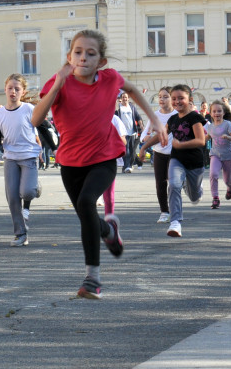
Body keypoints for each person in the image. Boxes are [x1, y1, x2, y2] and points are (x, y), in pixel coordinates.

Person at [33, 29, 167, 299]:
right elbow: (36, 120)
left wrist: (154, 118)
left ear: (101, 61)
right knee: (87, 217)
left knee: (86, 204)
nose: (83, 58)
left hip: (104, 157)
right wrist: (57, 84)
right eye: (78, 52)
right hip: (71, 162)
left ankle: (92, 279)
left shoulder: (109, 78)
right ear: (70, 57)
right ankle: (108, 229)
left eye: (90, 54)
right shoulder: (58, 83)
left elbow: (130, 89)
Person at [142, 84, 205, 238]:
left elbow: (201, 141)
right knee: (174, 185)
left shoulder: (195, 117)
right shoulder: (173, 119)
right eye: (174, 98)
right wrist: (144, 147)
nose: (177, 101)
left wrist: (181, 144)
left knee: (194, 196)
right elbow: (160, 135)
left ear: (189, 100)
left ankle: (196, 189)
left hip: (195, 163)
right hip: (176, 159)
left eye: (181, 98)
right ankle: (175, 222)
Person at [0, 74, 42, 247]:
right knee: (13, 198)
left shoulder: (29, 109)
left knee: (27, 193)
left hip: (28, 156)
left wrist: (54, 147)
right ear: (5, 89)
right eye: (10, 88)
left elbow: (44, 128)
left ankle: (35, 186)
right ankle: (21, 234)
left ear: (23, 91)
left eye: (17, 89)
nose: (13, 91)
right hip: (10, 158)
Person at [138, 87, 177, 223]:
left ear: (172, 99)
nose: (161, 99)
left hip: (174, 154)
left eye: (165, 96)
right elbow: (145, 133)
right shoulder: (154, 116)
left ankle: (174, 209)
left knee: (173, 184)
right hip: (159, 153)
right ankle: (164, 212)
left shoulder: (177, 115)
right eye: (160, 96)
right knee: (160, 183)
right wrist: (145, 138)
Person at [205, 100, 231, 209]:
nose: (217, 113)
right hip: (215, 154)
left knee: (227, 180)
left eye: (219, 111)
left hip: (228, 155)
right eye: (214, 111)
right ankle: (215, 198)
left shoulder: (227, 124)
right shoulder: (210, 127)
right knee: (213, 174)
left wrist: (228, 137)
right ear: (211, 113)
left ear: (223, 113)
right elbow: (207, 138)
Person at [115, 92, 142, 172]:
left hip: (132, 132)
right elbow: (114, 117)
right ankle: (127, 166)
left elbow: (138, 116)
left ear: (128, 98)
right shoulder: (118, 108)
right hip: (123, 132)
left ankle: (128, 165)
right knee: (125, 150)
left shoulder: (132, 107)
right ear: (121, 98)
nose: (125, 99)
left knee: (132, 150)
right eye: (123, 97)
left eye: (126, 97)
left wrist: (141, 125)